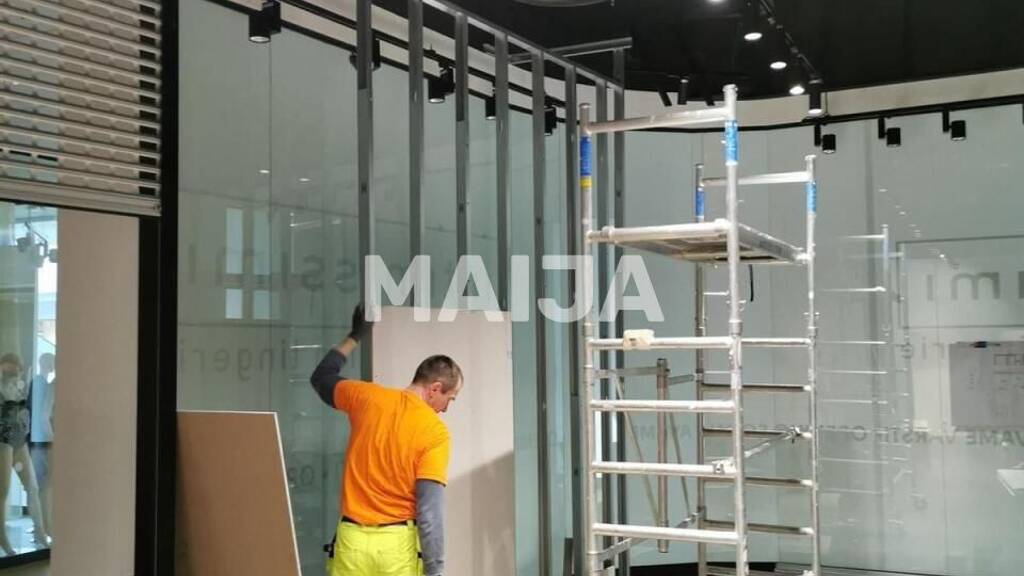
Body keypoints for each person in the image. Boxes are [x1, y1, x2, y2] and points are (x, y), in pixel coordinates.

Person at [310, 305, 461, 576]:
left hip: (351, 542)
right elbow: (429, 512)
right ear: (435, 388)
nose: (446, 409)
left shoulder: (366, 398)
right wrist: (435, 570)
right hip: (396, 548)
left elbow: (321, 377)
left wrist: (355, 336)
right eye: (449, 399)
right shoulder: (434, 432)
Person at [0, 353, 48, 554]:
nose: (15, 372)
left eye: (16, 369)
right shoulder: (5, 385)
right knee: (3, 491)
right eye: (10, 369)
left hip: (19, 439)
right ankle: (3, 537)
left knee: (32, 487)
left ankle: (40, 533)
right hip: (3, 439)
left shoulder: (22, 383)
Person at [29, 352, 54, 537]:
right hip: (40, 441)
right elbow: (41, 415)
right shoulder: (40, 383)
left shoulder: (42, 383)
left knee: (40, 484)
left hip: (40, 440)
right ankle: (42, 528)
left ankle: (43, 527)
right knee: (40, 485)